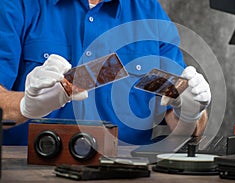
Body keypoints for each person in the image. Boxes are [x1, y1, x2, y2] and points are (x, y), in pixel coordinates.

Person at [0, 0, 211, 145]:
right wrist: (26, 105)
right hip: (31, 169)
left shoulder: (149, 12)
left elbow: (180, 121)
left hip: (128, 172)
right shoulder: (18, 5)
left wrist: (191, 113)